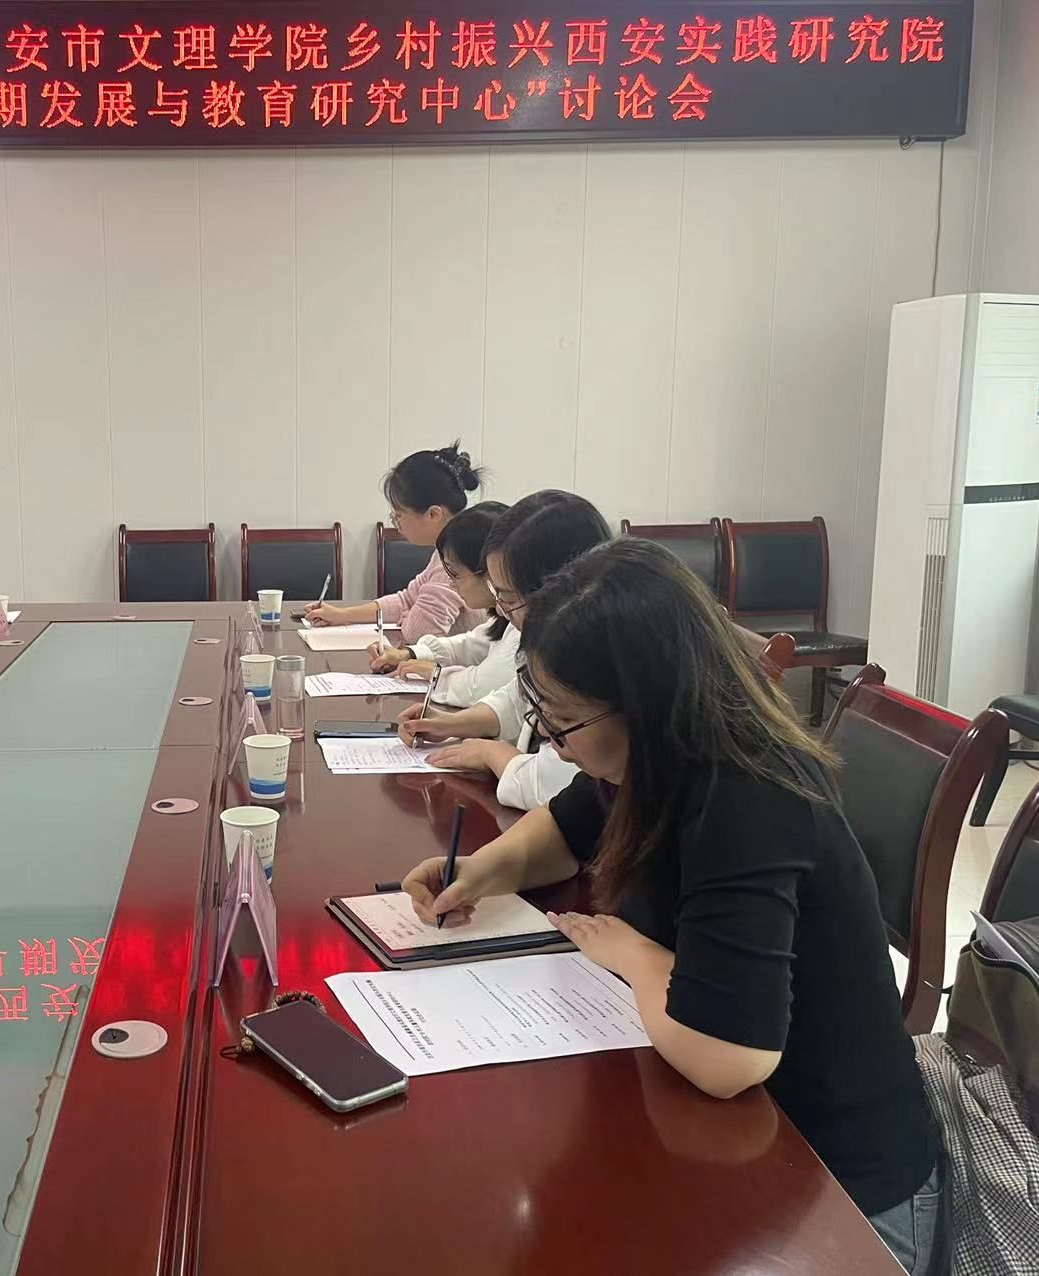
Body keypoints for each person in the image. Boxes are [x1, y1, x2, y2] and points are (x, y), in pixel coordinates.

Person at [401, 539, 943, 1272]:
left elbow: (728, 1056)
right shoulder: (655, 755)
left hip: (840, 1190)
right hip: (744, 1141)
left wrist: (634, 953)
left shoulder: (745, 794)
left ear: (643, 704)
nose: (553, 741)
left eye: (564, 720)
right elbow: (563, 832)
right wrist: (479, 872)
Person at [397, 491, 611, 810]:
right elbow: (518, 697)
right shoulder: (551, 635)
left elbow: (552, 788)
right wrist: (447, 724)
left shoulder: (599, 657)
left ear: (559, 588)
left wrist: (491, 754)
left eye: (508, 598)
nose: (500, 610)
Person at [304, 443, 485, 643]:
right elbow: (406, 600)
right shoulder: (445, 550)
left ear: (433, 514)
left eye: (398, 515)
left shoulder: (456, 561)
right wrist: (340, 615)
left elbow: (420, 634)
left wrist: (409, 617)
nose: (395, 523)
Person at [368, 501, 513, 707]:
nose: (452, 583)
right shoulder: (507, 615)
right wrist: (409, 654)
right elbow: (472, 645)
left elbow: (478, 688)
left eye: (456, 574)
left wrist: (435, 675)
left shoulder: (526, 622)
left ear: (490, 570)